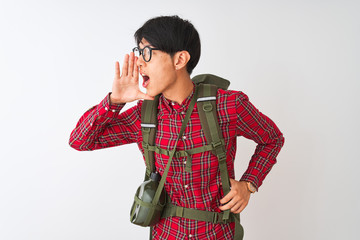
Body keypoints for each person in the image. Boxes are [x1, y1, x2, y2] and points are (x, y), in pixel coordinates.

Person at [69, 15, 284, 240]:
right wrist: (115, 101)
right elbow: (80, 141)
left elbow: (273, 138)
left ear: (179, 60)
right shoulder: (145, 115)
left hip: (217, 233)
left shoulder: (227, 105)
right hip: (166, 234)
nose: (139, 62)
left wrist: (249, 183)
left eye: (147, 53)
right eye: (138, 53)